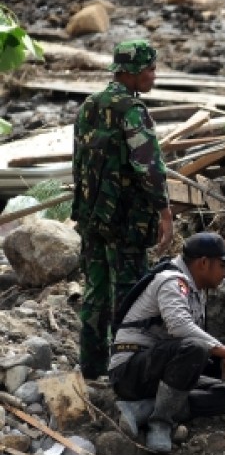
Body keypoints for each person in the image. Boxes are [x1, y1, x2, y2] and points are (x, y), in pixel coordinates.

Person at [71, 39, 173, 379]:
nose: (154, 76)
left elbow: (77, 162)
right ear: (130, 73)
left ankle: (92, 366)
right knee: (129, 294)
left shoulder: (89, 105)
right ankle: (124, 369)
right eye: (150, 69)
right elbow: (149, 165)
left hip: (91, 215)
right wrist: (164, 211)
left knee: (95, 290)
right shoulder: (132, 110)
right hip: (124, 219)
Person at [109, 232, 225, 454]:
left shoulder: (196, 289)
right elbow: (179, 327)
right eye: (221, 265)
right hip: (130, 371)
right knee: (196, 347)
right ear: (203, 263)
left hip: (159, 370)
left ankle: (142, 409)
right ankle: (160, 423)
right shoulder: (172, 281)